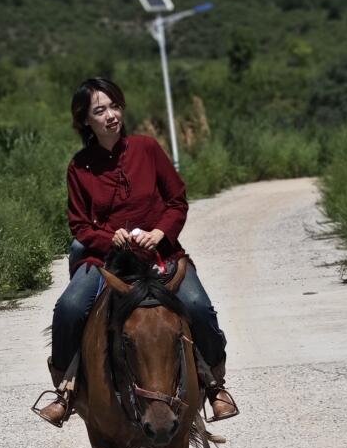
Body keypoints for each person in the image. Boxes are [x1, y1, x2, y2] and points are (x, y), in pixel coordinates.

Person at [35, 76, 239, 427]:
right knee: (68, 308)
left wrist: (159, 232)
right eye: (100, 110)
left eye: (115, 106)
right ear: (86, 120)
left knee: (198, 305)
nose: (111, 115)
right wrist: (107, 237)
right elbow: (80, 226)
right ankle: (65, 391)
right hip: (105, 262)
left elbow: (176, 200)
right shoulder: (79, 167)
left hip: (160, 255)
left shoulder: (147, 149)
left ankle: (214, 385)